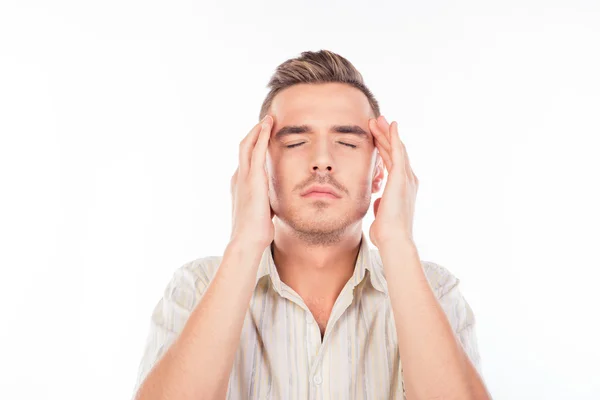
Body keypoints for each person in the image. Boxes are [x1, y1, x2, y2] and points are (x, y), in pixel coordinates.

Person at [131, 50, 492, 400]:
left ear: (380, 170)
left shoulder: (436, 291)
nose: (322, 160)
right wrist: (244, 242)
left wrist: (397, 241)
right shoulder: (195, 288)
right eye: (297, 142)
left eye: (347, 142)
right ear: (259, 167)